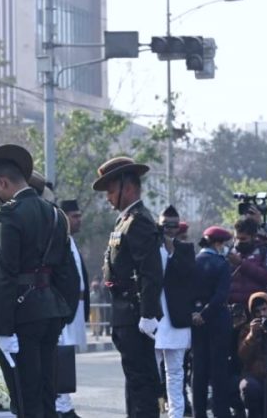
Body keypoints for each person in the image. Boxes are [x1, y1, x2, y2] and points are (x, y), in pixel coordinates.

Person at [0, 144, 79, 418]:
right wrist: (64, 312)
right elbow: (68, 272)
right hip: (51, 313)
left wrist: (3, 329)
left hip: (21, 318)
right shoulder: (55, 214)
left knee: (25, 399)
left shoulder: (8, 217)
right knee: (46, 394)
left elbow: (4, 276)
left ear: (2, 183)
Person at [92, 156, 164, 418]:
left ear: (129, 188)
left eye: (111, 190)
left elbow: (151, 272)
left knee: (142, 383)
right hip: (124, 312)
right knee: (134, 381)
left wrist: (147, 313)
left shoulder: (139, 221)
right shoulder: (124, 220)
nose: (108, 197)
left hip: (135, 314)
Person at [193, 226, 234, 418]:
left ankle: (198, 413)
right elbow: (221, 295)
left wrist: (196, 314)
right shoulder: (222, 263)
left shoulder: (193, 262)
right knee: (218, 371)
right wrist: (207, 314)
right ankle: (220, 413)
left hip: (195, 322)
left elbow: (185, 292)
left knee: (198, 369)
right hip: (217, 321)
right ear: (218, 243)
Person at [156, 218, 196, 418]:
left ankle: (176, 414)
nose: (169, 230)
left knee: (175, 372)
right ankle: (152, 409)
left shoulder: (186, 249)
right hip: (153, 317)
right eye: (165, 227)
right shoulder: (150, 248)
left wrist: (172, 252)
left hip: (176, 319)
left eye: (173, 227)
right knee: (151, 371)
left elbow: (187, 274)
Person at [56, 199, 91, 418]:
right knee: (61, 355)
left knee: (68, 355)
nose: (79, 220)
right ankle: (62, 405)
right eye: (75, 216)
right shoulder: (59, 241)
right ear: (64, 217)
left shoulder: (71, 242)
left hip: (76, 306)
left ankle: (64, 402)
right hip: (64, 307)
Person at [229, 217, 267, 306]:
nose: (238, 242)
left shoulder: (266, 250)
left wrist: (241, 264)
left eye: (243, 239)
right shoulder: (230, 252)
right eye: (236, 239)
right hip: (234, 308)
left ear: (254, 237)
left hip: (257, 308)